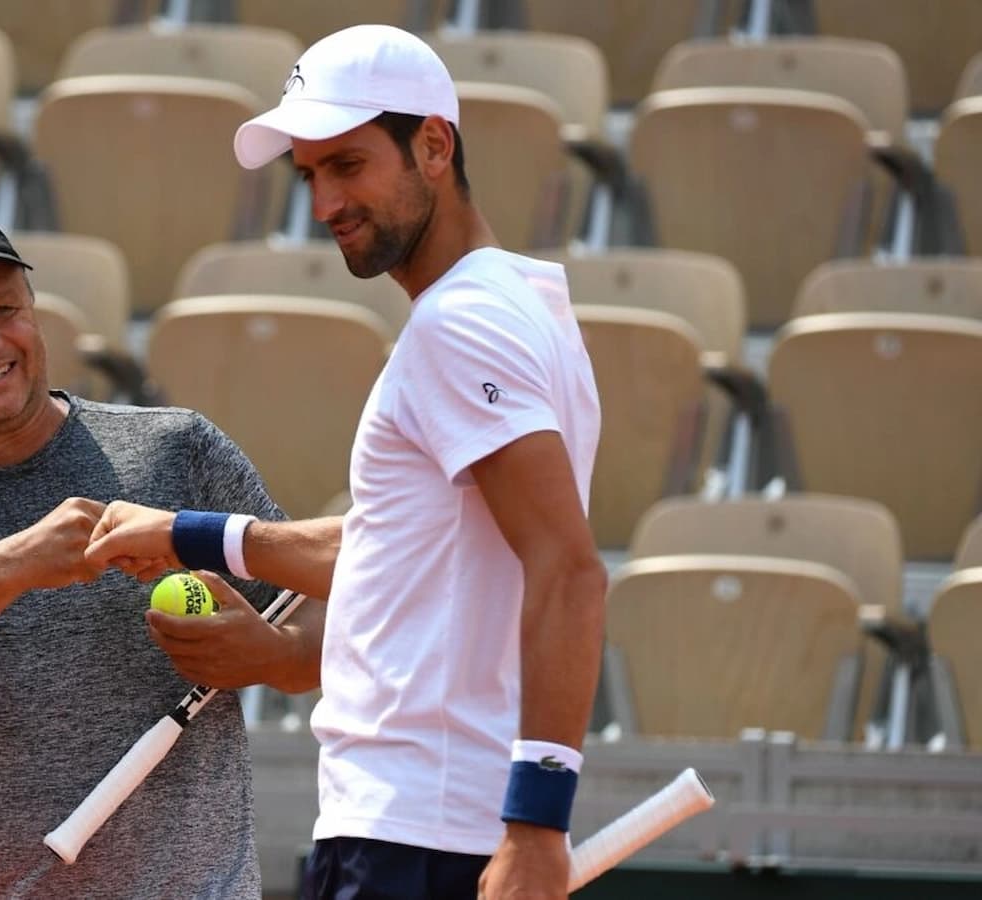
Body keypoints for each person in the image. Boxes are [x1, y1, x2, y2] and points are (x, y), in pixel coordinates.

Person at [83, 25, 606, 900]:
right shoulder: (516, 308)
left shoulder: (459, 327)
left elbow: (570, 569)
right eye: (309, 174)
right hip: (420, 826)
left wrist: (538, 825)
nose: (325, 202)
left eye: (349, 165)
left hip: (419, 834)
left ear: (434, 145)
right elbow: (403, 549)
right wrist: (190, 536)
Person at [0, 206, 324, 898]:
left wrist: (274, 654)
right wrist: (19, 561)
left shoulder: (178, 448)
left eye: (5, 310)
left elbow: (329, 609)